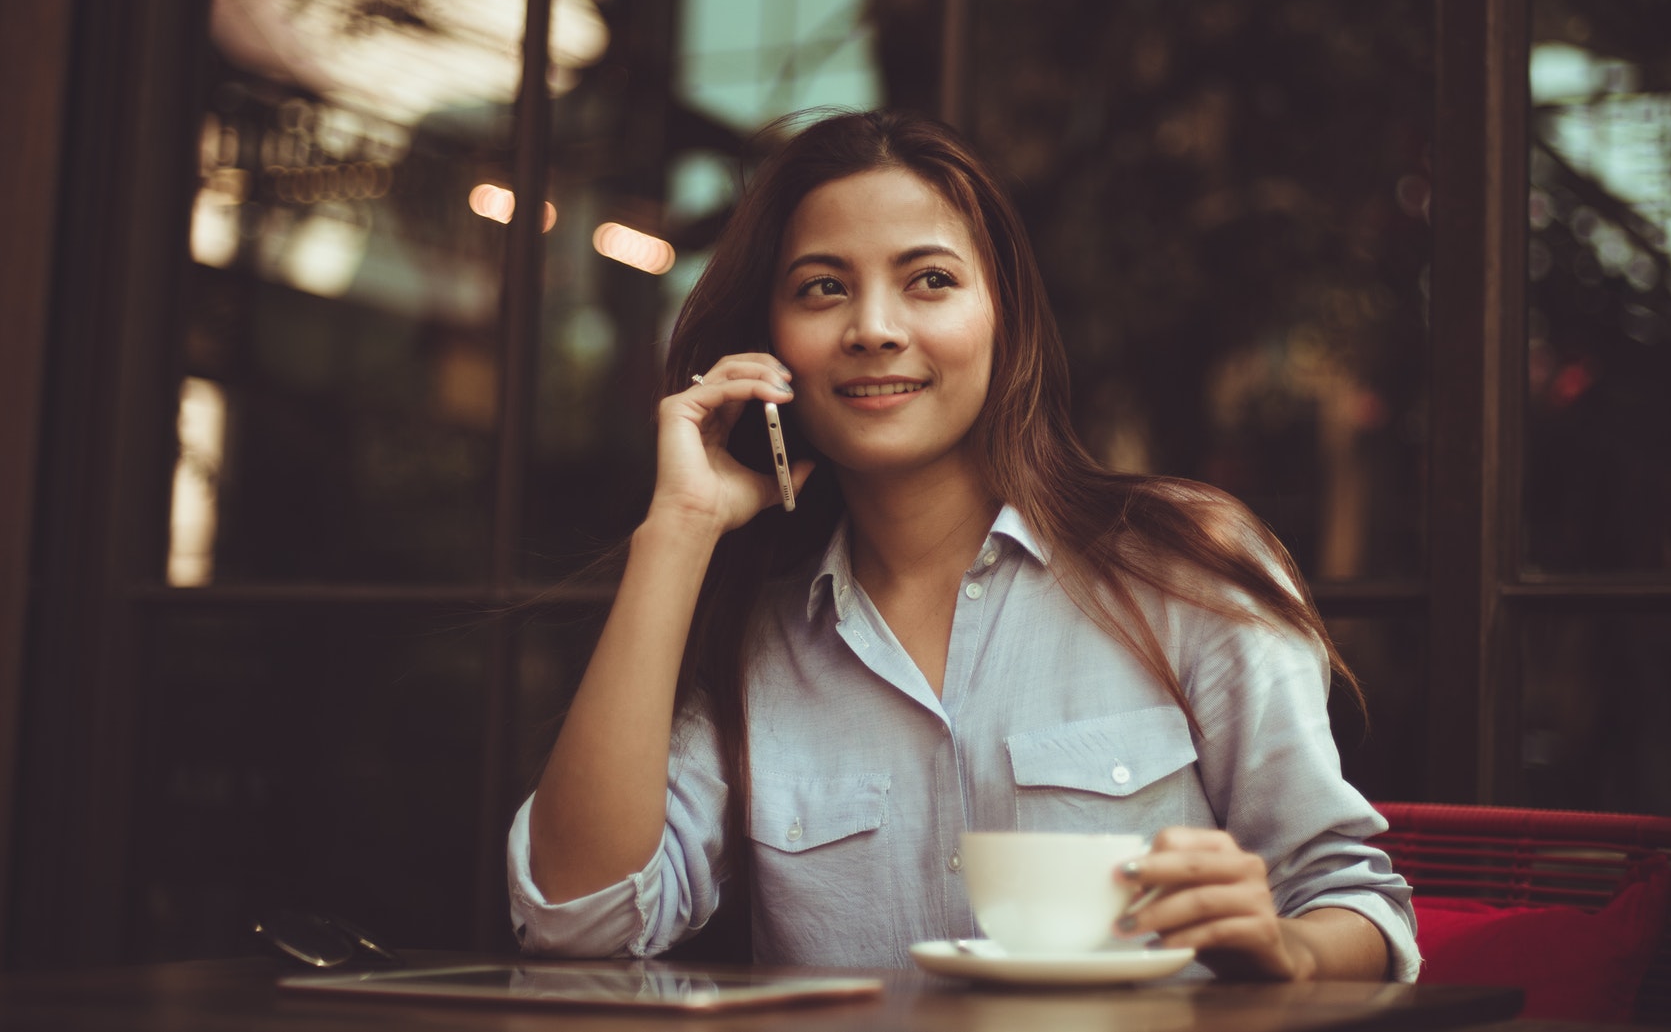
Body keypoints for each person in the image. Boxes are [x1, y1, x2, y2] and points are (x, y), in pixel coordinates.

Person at [507, 109, 1419, 981]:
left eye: (929, 280)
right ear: (772, 344)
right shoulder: (754, 639)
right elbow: (575, 919)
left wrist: (1286, 949)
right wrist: (677, 531)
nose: (872, 327)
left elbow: (1353, 901)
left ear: (1003, 318)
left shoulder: (1179, 565)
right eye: (823, 287)